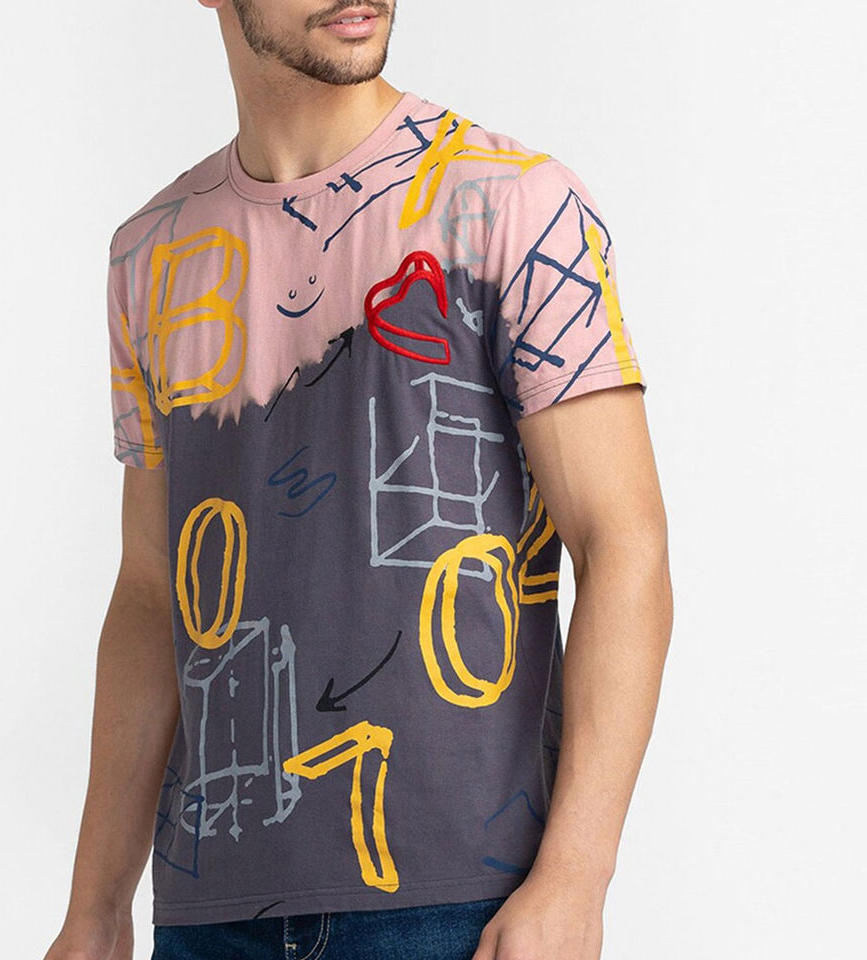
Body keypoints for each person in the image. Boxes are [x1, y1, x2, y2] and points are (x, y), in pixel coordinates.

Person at [43, 2, 673, 959]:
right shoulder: (152, 252)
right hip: (210, 914)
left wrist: (576, 876)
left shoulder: (512, 203)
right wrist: (94, 910)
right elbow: (150, 591)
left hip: (461, 905)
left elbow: (624, 544)